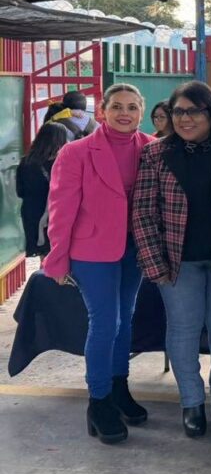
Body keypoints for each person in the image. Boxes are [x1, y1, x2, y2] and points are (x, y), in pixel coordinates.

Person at [42, 84, 155, 445]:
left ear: (142, 111)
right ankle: (100, 400)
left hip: (134, 249)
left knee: (126, 319)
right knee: (106, 321)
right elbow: (61, 209)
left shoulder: (153, 149)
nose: (125, 113)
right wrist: (56, 259)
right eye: (117, 106)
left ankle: (119, 388)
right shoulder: (75, 153)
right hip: (91, 250)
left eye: (133, 107)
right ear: (102, 111)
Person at [132, 81, 211, 438]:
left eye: (194, 111)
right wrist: (154, 263)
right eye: (178, 111)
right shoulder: (156, 153)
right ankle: (192, 402)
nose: (185, 118)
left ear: (210, 113)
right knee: (183, 330)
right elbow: (143, 213)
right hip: (176, 261)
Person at [16, 122, 68, 257]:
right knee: (56, 254)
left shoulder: (26, 162)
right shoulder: (63, 163)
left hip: (31, 213)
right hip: (55, 213)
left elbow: (20, 191)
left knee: (43, 254)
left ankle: (44, 275)